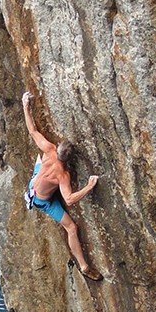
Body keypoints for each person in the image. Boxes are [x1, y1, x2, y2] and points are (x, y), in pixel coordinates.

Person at [22, 91, 102, 280]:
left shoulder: (48, 150)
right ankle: (83, 266)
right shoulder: (63, 176)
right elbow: (69, 199)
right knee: (71, 228)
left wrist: (26, 104)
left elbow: (33, 130)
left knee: (38, 156)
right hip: (43, 201)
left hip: (33, 183)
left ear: (57, 149)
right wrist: (89, 186)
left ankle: (39, 183)